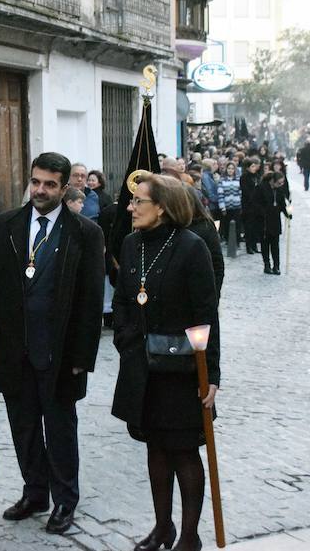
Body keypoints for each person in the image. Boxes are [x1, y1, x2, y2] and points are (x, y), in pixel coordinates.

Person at [0, 152, 104, 535]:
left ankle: (65, 499)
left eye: (49, 184)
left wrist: (83, 355)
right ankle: (35, 492)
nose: (40, 190)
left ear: (66, 187)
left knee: (60, 429)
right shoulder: (8, 224)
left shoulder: (84, 233)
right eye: (35, 182)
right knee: (23, 426)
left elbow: (91, 301)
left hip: (60, 352)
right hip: (14, 349)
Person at [110, 174, 219, 551]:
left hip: (183, 371)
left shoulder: (192, 248)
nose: (131, 207)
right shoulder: (130, 244)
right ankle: (163, 527)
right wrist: (126, 340)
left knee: (183, 452)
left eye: (139, 201)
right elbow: (123, 300)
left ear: (163, 207)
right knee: (155, 447)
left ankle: (190, 536)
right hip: (142, 368)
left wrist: (212, 375)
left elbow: (207, 315)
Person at [251, 172, 291, 275]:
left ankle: (276, 266)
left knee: (275, 245)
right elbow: (254, 202)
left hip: (275, 220)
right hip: (263, 221)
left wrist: (287, 213)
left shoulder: (279, 190)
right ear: (273, 180)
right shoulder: (261, 188)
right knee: (265, 244)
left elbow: (282, 204)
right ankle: (267, 265)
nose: (280, 185)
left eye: (282, 183)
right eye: (279, 183)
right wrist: (262, 211)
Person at [240, 157, 261, 254]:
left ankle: (254, 245)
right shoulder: (244, 177)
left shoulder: (257, 176)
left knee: (255, 227)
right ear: (248, 167)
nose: (254, 168)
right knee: (248, 227)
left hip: (256, 206)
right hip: (248, 205)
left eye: (255, 166)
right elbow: (246, 191)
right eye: (252, 166)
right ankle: (249, 246)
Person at [216, 161, 241, 244]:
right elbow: (220, 195)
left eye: (232, 169)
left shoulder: (238, 179)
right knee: (227, 225)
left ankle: (237, 241)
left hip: (236, 206)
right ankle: (228, 240)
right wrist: (222, 207)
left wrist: (241, 205)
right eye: (229, 168)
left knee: (237, 224)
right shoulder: (222, 180)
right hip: (226, 207)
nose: (230, 170)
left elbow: (241, 193)